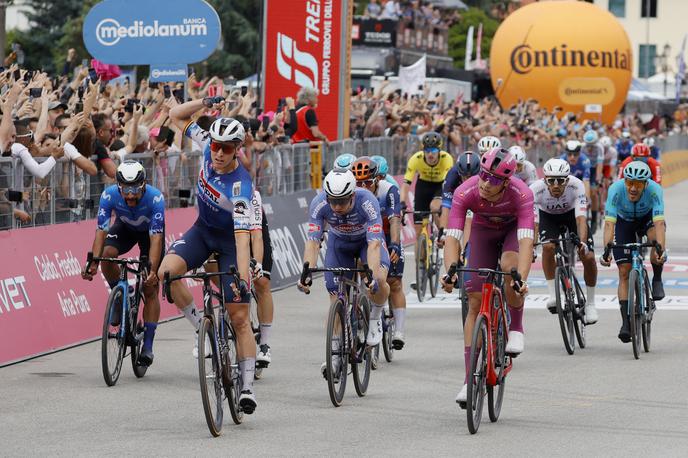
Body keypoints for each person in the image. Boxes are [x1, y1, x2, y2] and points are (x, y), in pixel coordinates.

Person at [161, 97, 257, 414]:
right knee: (167, 274)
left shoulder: (240, 185)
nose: (218, 152)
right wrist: (203, 103)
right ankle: (202, 330)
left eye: (226, 148)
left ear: (237, 150)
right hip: (201, 231)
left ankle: (246, 387)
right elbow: (174, 115)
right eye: (216, 145)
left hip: (231, 242)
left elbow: (243, 239)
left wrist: (243, 279)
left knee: (240, 317)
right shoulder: (206, 148)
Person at [442, 148, 533, 403]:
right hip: (483, 230)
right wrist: (449, 272)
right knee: (473, 300)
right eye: (483, 175)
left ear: (505, 182)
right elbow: (453, 236)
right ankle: (469, 379)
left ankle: (516, 326)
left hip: (512, 230)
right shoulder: (466, 191)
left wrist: (521, 280)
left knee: (508, 266)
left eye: (493, 180)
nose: (484, 182)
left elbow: (526, 241)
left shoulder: (521, 194)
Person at [297, 169, 391, 380]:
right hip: (339, 245)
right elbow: (313, 241)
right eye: (333, 201)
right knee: (335, 298)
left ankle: (375, 316)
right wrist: (306, 272)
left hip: (366, 243)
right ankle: (335, 355)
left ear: (353, 196)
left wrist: (371, 276)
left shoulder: (367, 201)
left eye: (342, 202)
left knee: (380, 280)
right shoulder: (319, 203)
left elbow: (375, 244)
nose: (337, 207)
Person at [81, 161, 165, 366]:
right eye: (125, 189)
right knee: (107, 255)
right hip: (125, 228)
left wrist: (152, 270)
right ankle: (120, 295)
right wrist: (93, 262)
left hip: (149, 235)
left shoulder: (156, 198)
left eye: (135, 189)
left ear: (143, 185)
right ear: (119, 186)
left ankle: (148, 345)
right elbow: (101, 231)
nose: (130, 195)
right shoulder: (109, 195)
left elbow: (155, 239)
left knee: (150, 286)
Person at [600, 161, 666, 343]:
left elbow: (659, 223)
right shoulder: (615, 189)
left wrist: (661, 248)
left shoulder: (655, 190)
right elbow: (609, 224)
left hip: (647, 219)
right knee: (624, 271)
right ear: (624, 181)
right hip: (624, 222)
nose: (633, 188)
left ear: (646, 183)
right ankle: (626, 322)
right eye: (629, 183)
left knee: (655, 241)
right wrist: (607, 250)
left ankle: (657, 278)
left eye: (638, 184)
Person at [531, 158, 598, 323]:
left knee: (588, 257)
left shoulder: (577, 186)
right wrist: (532, 246)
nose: (555, 185)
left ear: (567, 180)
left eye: (560, 181)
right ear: (544, 179)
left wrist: (582, 243)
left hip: (572, 216)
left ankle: (590, 304)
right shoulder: (535, 189)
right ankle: (554, 296)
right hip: (548, 217)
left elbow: (581, 218)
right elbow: (534, 222)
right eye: (551, 180)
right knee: (547, 248)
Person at [351, 157, 406, 349]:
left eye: (367, 182)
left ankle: (398, 330)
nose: (363, 186)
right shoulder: (353, 192)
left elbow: (394, 220)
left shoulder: (388, 189)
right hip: (364, 235)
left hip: (386, 233)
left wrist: (396, 245)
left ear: (376, 180)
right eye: (359, 183)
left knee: (394, 282)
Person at [400, 131, 453, 239]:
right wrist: (402, 203)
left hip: (440, 185)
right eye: (427, 150)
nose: (430, 154)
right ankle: (419, 255)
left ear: (439, 150)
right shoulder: (415, 159)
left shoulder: (446, 158)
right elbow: (406, 184)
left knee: (434, 207)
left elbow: (449, 182)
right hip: (423, 186)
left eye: (433, 150)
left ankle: (443, 235)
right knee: (418, 230)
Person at [248, 189, 276, 370]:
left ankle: (264, 344)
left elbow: (256, 236)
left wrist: (257, 264)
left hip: (253, 229)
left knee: (262, 282)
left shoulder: (252, 195)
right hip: (227, 232)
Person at [581, 130, 604, 229]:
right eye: (588, 145)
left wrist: (598, 179)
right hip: (585, 168)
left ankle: (594, 218)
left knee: (594, 193)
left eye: (592, 145)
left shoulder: (599, 147)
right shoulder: (582, 147)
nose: (590, 147)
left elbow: (600, 164)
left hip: (594, 169)